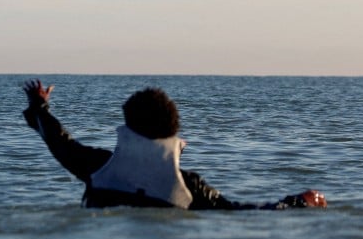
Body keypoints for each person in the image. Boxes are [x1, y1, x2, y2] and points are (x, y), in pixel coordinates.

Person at [22, 80, 327, 210]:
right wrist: (300, 201)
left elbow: (58, 140)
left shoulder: (97, 166)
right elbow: (243, 211)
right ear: (174, 134)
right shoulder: (189, 186)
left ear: (127, 126)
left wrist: (39, 107)